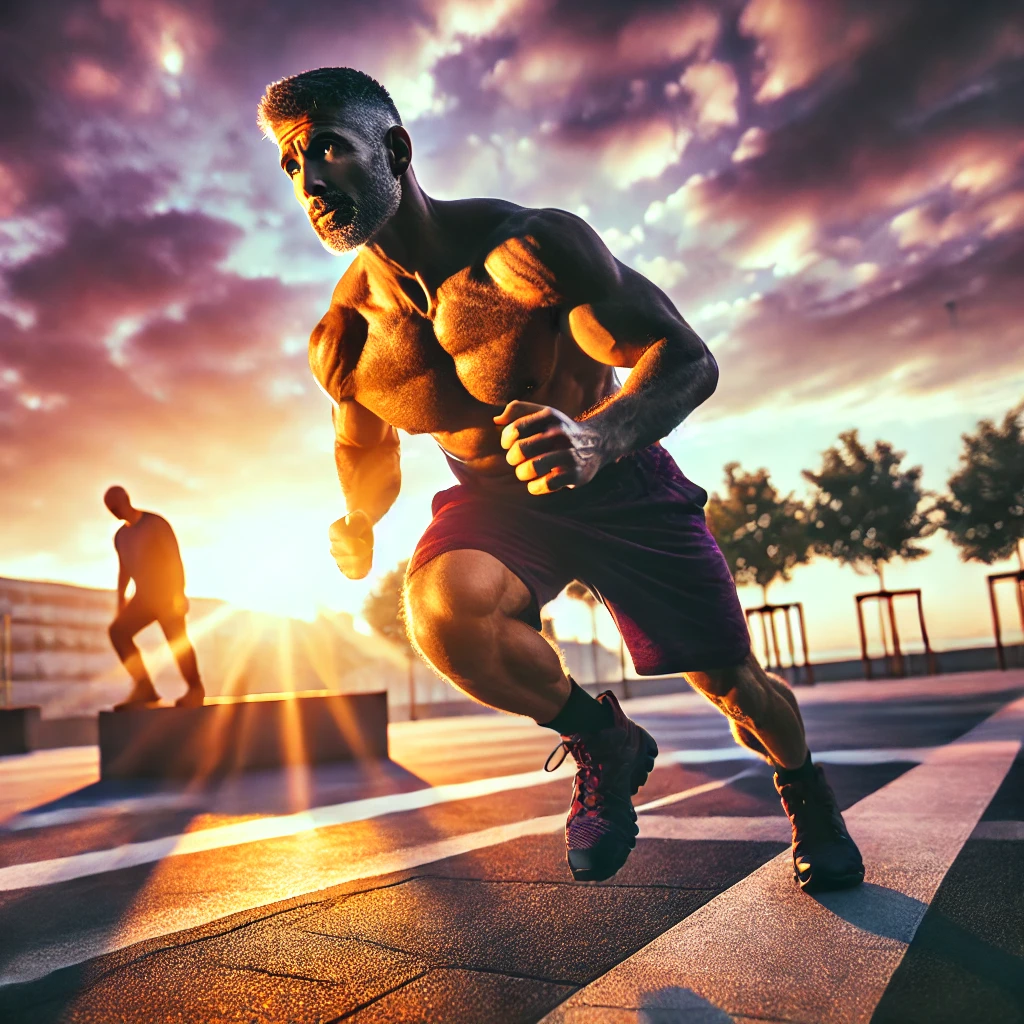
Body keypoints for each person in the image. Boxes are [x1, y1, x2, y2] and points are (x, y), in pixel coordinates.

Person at [256, 67, 864, 890]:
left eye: (328, 148)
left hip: (621, 482)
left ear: (394, 149)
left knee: (733, 685)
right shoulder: (346, 339)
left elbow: (685, 358)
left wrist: (599, 439)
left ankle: (807, 795)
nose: (311, 179)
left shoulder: (527, 253)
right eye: (292, 166)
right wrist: (358, 522)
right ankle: (602, 739)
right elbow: (366, 457)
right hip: (496, 504)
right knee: (443, 611)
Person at [103, 486, 204, 712]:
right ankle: (144, 687)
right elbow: (124, 569)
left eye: (115, 506)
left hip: (167, 595)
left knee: (177, 640)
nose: (113, 512)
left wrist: (179, 593)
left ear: (126, 500)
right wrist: (121, 600)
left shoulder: (156, 524)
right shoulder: (121, 536)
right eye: (110, 509)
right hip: (143, 599)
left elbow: (174, 559)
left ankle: (195, 688)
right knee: (118, 631)